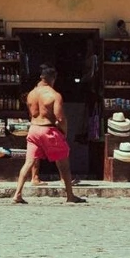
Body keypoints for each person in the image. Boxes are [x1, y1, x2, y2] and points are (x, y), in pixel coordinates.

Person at [12, 64, 85, 204]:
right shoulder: (54, 95)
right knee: (63, 164)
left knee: (28, 162)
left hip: (34, 129)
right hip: (48, 129)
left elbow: (31, 114)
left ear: (41, 78)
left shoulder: (31, 94)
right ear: (53, 78)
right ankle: (70, 196)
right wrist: (63, 132)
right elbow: (60, 118)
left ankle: (17, 194)